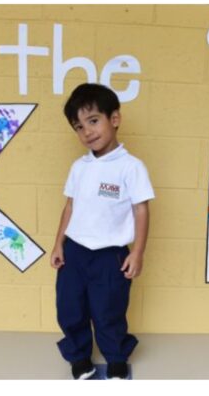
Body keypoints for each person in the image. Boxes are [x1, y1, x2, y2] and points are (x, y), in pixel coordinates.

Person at [51, 83, 154, 380]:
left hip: (111, 256)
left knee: (109, 311)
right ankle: (79, 357)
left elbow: (141, 210)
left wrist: (137, 252)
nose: (87, 132)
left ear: (115, 119)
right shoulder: (79, 167)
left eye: (93, 120)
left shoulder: (131, 167)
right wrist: (58, 244)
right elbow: (69, 207)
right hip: (74, 252)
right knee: (69, 308)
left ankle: (117, 357)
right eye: (79, 126)